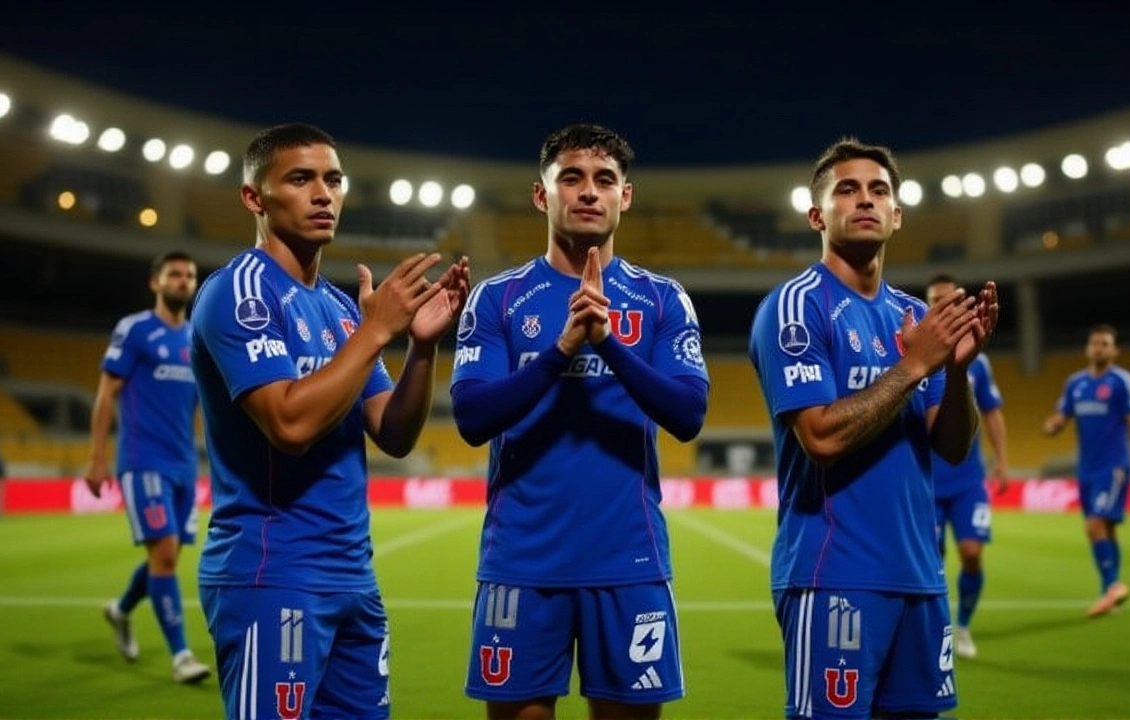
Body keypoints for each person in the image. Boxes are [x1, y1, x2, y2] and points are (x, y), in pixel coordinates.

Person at [190, 122, 469, 720]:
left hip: (352, 576)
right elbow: (288, 426)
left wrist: (421, 349)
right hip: (272, 572)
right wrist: (374, 333)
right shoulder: (238, 294)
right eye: (301, 179)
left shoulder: (341, 308)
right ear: (254, 198)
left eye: (334, 179)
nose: (324, 194)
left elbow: (393, 433)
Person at [450, 123, 709, 720]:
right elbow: (471, 416)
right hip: (521, 562)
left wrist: (610, 343)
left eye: (604, 180)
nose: (589, 191)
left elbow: (689, 414)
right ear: (542, 196)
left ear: (626, 196)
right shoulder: (498, 298)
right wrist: (563, 348)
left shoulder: (662, 298)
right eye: (572, 178)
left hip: (630, 563)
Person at [748, 138, 997, 719]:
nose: (865, 200)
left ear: (897, 214)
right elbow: (822, 439)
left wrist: (956, 372)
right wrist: (915, 365)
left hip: (920, 578)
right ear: (818, 215)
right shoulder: (795, 308)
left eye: (879, 190)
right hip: (833, 574)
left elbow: (953, 448)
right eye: (847, 189)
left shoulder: (912, 315)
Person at [83, 250, 211, 684]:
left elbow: (203, 407)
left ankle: (120, 610)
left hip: (182, 465)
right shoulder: (134, 330)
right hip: (142, 462)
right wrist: (97, 457)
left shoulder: (197, 338)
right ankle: (181, 656)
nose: (182, 281)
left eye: (189, 275)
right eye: (174, 274)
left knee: (166, 556)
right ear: (155, 282)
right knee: (167, 556)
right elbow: (106, 393)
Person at [925, 274, 1010, 660]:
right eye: (934, 300)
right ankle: (936, 629)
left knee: (973, 553)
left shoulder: (980, 359)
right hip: (927, 481)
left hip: (968, 480)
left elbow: (992, 413)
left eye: (949, 298)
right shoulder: (917, 352)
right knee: (932, 562)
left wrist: (1003, 461)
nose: (941, 304)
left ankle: (963, 627)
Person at [1042, 324, 1130, 618]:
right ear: (1088, 348)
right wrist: (1053, 425)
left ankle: (1113, 586)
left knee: (1094, 526)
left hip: (1113, 466)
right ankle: (1108, 592)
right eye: (1095, 343)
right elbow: (1062, 416)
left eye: (1105, 344)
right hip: (1086, 468)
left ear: (1114, 350)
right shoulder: (1075, 383)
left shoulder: (1121, 381)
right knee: (1106, 529)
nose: (1098, 348)